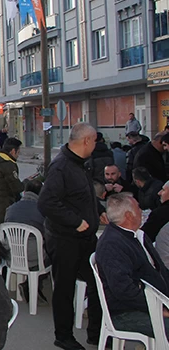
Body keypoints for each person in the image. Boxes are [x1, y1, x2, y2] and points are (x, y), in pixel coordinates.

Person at [37, 123, 102, 349]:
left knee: (98, 282)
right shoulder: (61, 167)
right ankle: (63, 336)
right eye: (94, 141)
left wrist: (99, 212)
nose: (95, 145)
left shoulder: (82, 165)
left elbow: (83, 197)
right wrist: (75, 221)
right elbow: (46, 202)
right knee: (65, 288)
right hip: (65, 239)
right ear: (86, 141)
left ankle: (97, 332)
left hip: (86, 239)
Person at [95, 193, 169, 340]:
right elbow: (123, 290)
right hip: (127, 312)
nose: (141, 211)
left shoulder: (135, 235)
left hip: (154, 301)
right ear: (129, 215)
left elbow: (158, 270)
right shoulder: (113, 244)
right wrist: (160, 309)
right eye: (138, 208)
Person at [4, 179, 49, 298]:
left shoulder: (11, 208)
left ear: (25, 191)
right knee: (54, 253)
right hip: (34, 258)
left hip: (12, 254)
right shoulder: (42, 210)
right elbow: (48, 234)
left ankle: (27, 284)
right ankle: (33, 285)